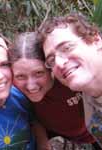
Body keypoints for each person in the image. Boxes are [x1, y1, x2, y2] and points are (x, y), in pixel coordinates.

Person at [9, 32, 101, 149]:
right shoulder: (13, 91)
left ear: (51, 68)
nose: (31, 86)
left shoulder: (71, 79)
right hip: (62, 134)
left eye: (38, 73)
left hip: (93, 132)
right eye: (20, 76)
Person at [38, 12, 102, 147]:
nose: (59, 63)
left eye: (67, 47)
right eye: (52, 60)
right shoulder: (88, 98)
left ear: (95, 41)